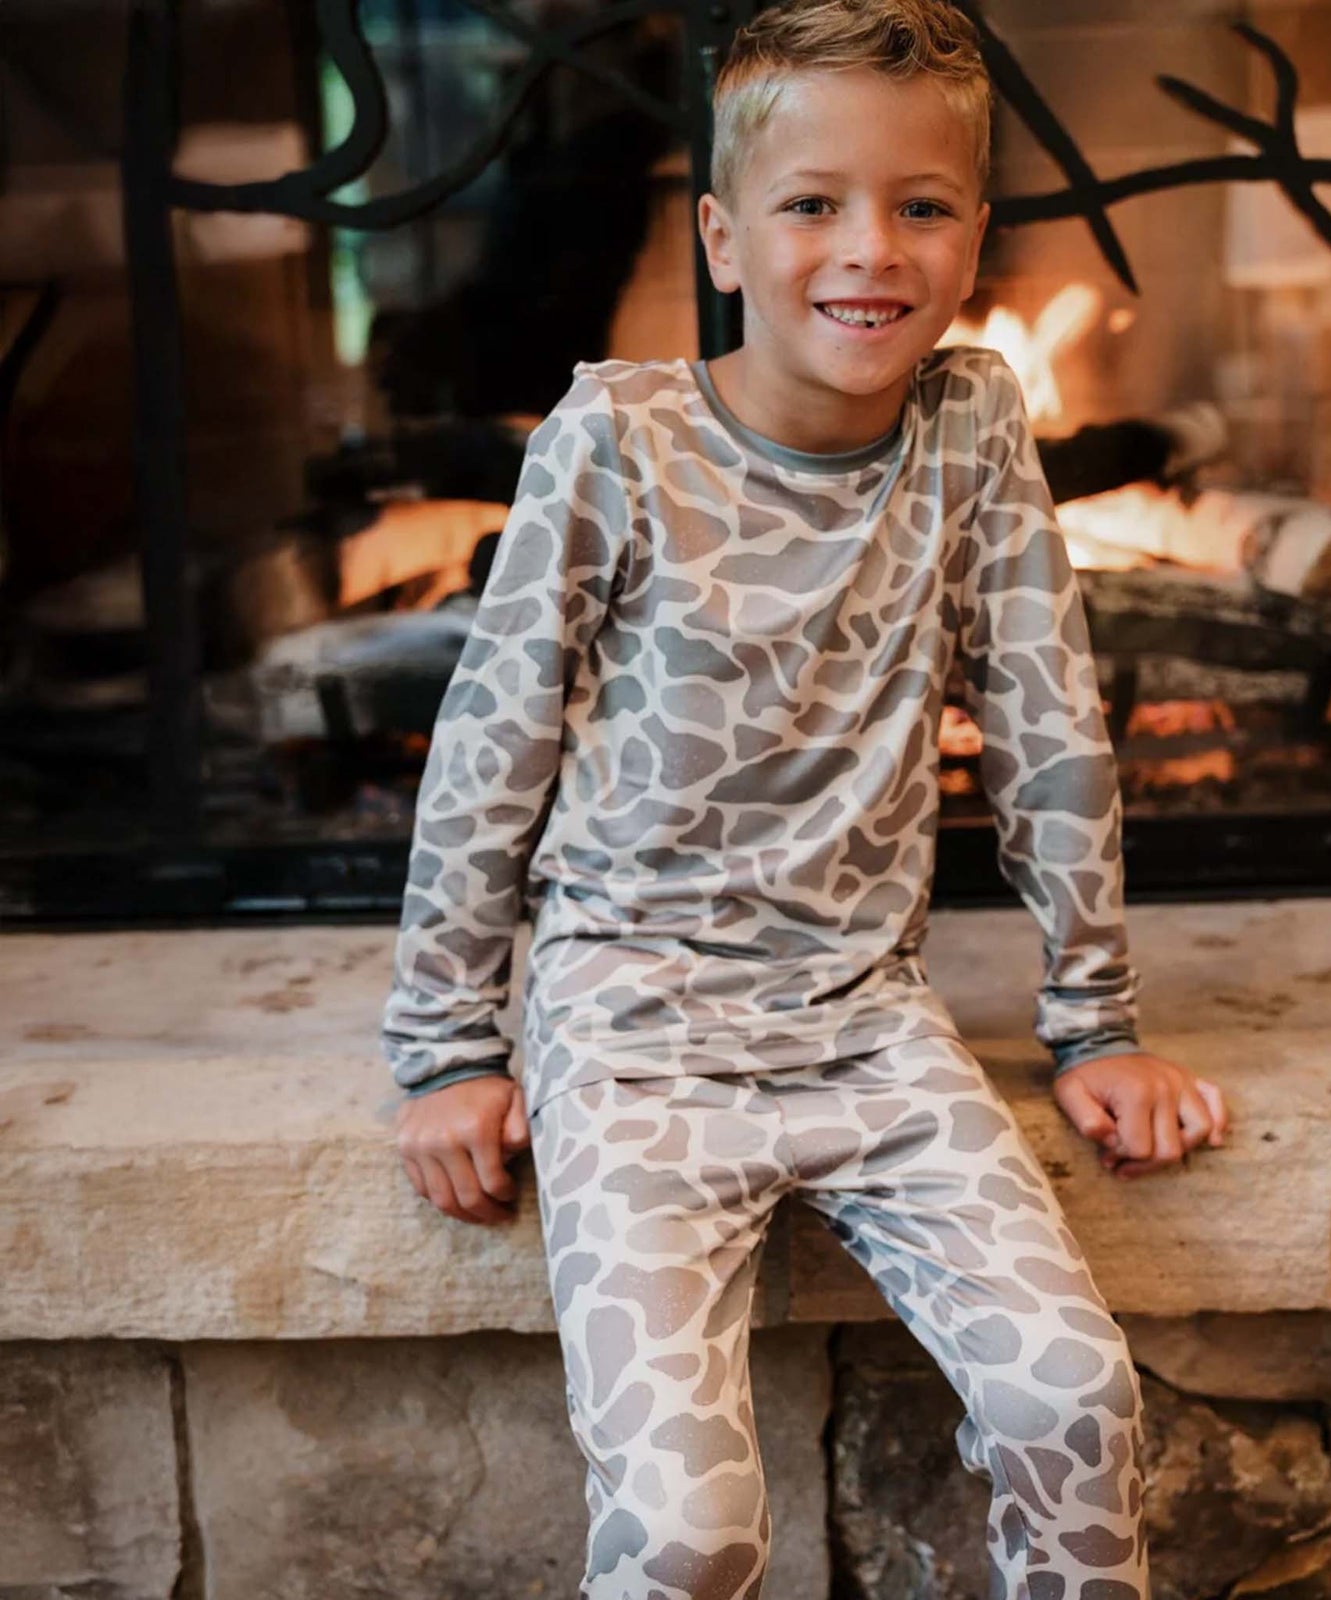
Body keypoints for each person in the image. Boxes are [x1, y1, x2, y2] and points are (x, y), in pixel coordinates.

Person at [382, 2, 1229, 1594]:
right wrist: (445, 1050)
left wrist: (1097, 1022)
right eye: (812, 204)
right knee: (694, 1531)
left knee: (1075, 1400)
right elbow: (491, 753)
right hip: (630, 1030)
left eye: (921, 207)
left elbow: (1050, 725)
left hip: (863, 1021)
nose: (871, 249)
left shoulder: (974, 424)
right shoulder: (614, 440)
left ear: (976, 237)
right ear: (721, 235)